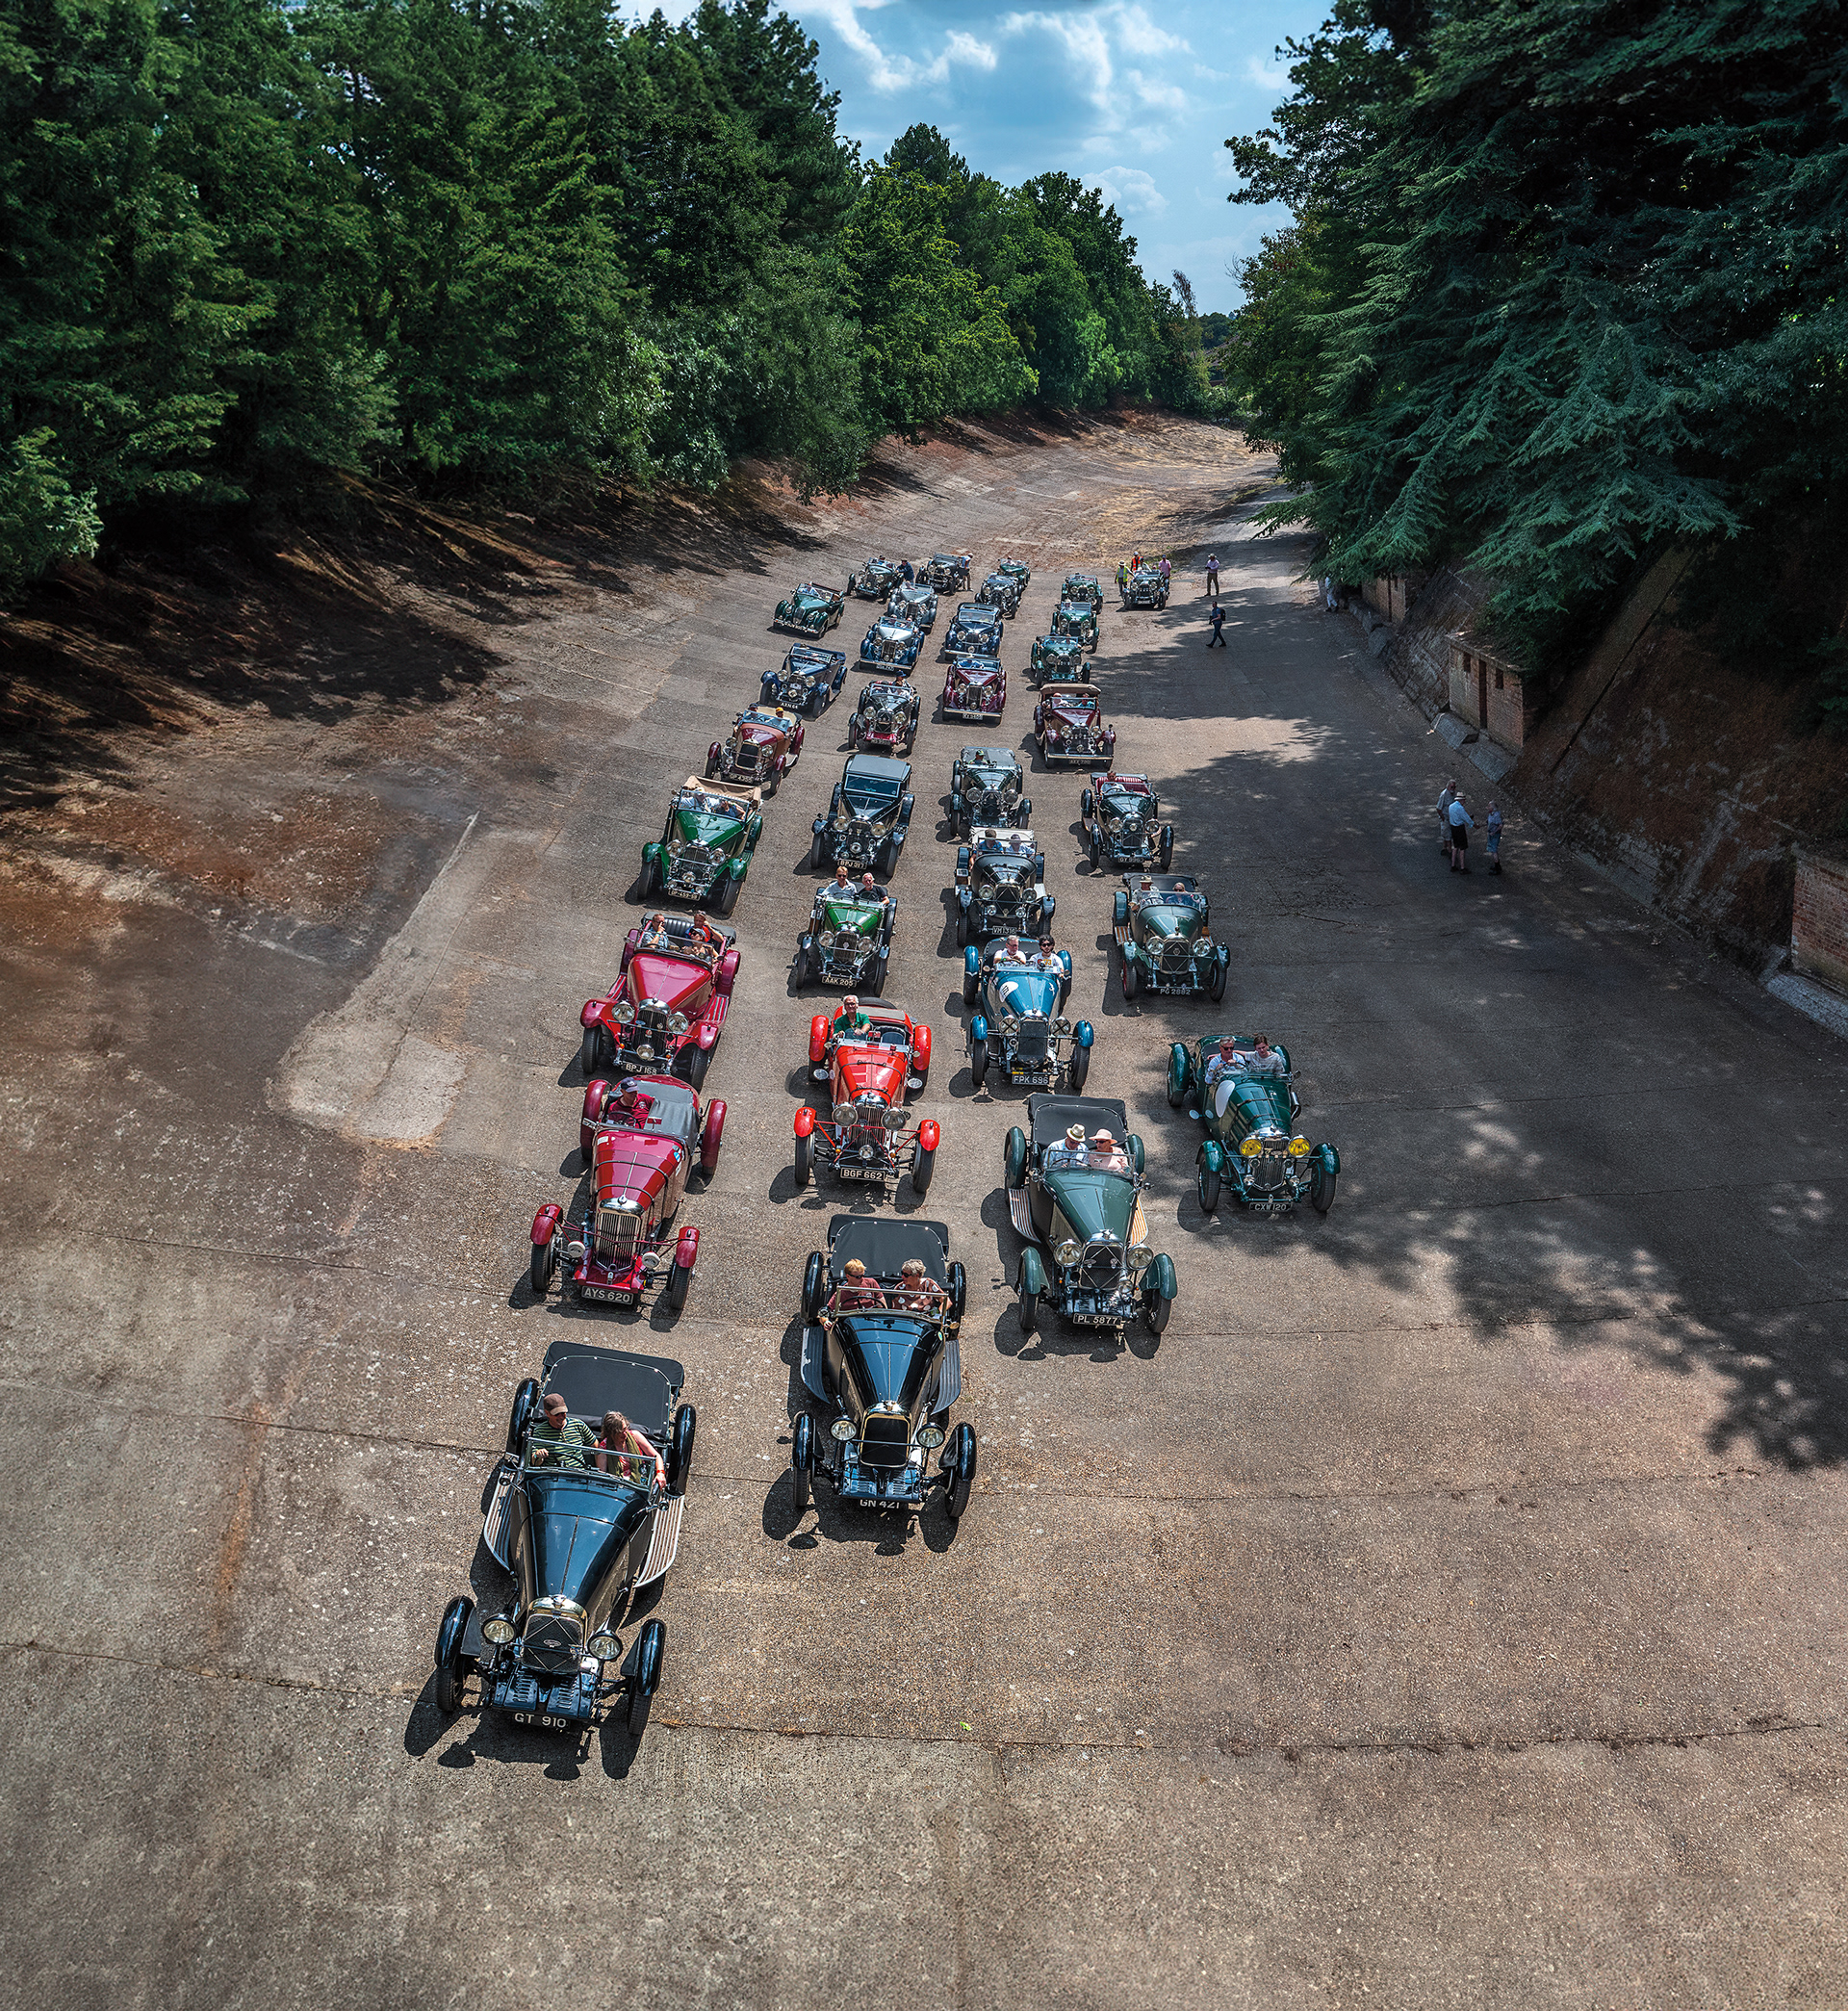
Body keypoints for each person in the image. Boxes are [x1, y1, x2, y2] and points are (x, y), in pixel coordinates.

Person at [598, 1409, 666, 1488]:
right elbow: (602, 1476)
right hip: (617, 1487)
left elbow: (656, 1456)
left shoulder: (635, 1435)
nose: (624, 1434)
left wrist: (660, 1472)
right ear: (611, 1433)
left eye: (625, 1429)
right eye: (620, 1432)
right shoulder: (603, 1447)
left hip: (641, 1483)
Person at [529, 1392, 595, 1469]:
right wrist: (538, 1454)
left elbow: (597, 1447)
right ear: (547, 1413)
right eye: (557, 1414)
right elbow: (535, 1462)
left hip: (579, 1474)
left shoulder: (579, 1425)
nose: (561, 1417)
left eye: (563, 1413)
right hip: (553, 1475)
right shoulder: (540, 1431)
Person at [1448, 792, 1475, 872]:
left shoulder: (1451, 806)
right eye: (1464, 800)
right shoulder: (1460, 808)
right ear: (1461, 800)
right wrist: (1473, 824)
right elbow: (1466, 818)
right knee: (1462, 848)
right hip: (1459, 828)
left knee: (1455, 846)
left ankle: (1453, 865)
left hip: (1453, 827)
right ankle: (1462, 867)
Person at [1436, 782, 1457, 855]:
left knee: (1447, 833)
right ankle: (1449, 851)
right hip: (1445, 816)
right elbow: (1438, 808)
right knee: (1447, 833)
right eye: (1451, 787)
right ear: (1448, 787)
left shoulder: (1454, 794)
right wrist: (1442, 818)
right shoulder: (1443, 795)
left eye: (1454, 787)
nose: (1453, 789)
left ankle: (1444, 847)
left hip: (1451, 816)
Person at [1486, 802, 1503, 875]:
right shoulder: (1491, 814)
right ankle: (1497, 866)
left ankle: (1497, 868)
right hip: (1491, 834)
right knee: (1493, 850)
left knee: (1494, 851)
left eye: (1489, 806)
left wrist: (1494, 831)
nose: (1487, 807)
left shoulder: (1496, 815)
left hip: (1494, 835)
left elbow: (1500, 825)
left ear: (1493, 808)